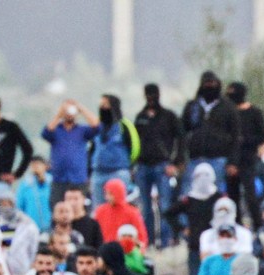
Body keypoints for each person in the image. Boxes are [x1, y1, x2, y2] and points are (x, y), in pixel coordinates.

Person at [133, 84, 182, 248]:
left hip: (162, 165)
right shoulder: (140, 117)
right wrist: (134, 163)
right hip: (143, 166)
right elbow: (133, 142)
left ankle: (167, 239)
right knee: (145, 206)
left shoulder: (168, 116)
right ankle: (149, 240)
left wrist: (175, 162)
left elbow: (180, 139)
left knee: (165, 205)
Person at [182, 71, 241, 191]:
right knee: (189, 193)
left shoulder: (228, 107)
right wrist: (181, 158)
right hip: (195, 158)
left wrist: (233, 162)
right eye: (206, 83)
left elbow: (236, 135)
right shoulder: (193, 106)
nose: (209, 87)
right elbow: (182, 131)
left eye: (212, 83)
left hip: (218, 158)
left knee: (216, 193)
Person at [223, 82, 264, 220]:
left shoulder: (254, 113)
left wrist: (245, 140)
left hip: (248, 159)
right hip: (231, 159)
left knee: (251, 196)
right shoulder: (227, 113)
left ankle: (257, 225)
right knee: (232, 197)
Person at [41, 100, 98, 207]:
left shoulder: (82, 130)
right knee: (57, 208)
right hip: (59, 179)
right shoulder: (56, 130)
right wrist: (60, 113)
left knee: (81, 209)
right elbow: (45, 133)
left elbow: (96, 126)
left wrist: (80, 108)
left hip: (78, 179)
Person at [89, 94, 135, 209]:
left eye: (105, 104)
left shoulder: (124, 125)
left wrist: (129, 166)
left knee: (119, 206)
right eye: (101, 105)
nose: (103, 108)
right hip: (98, 172)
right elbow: (92, 148)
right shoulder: (98, 127)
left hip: (118, 171)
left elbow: (134, 147)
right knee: (98, 208)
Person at [15, 157, 53, 232]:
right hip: (30, 228)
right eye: (33, 165)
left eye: (38, 164)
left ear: (45, 166)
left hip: (50, 227)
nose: (36, 167)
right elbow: (19, 206)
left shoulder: (51, 183)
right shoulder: (25, 185)